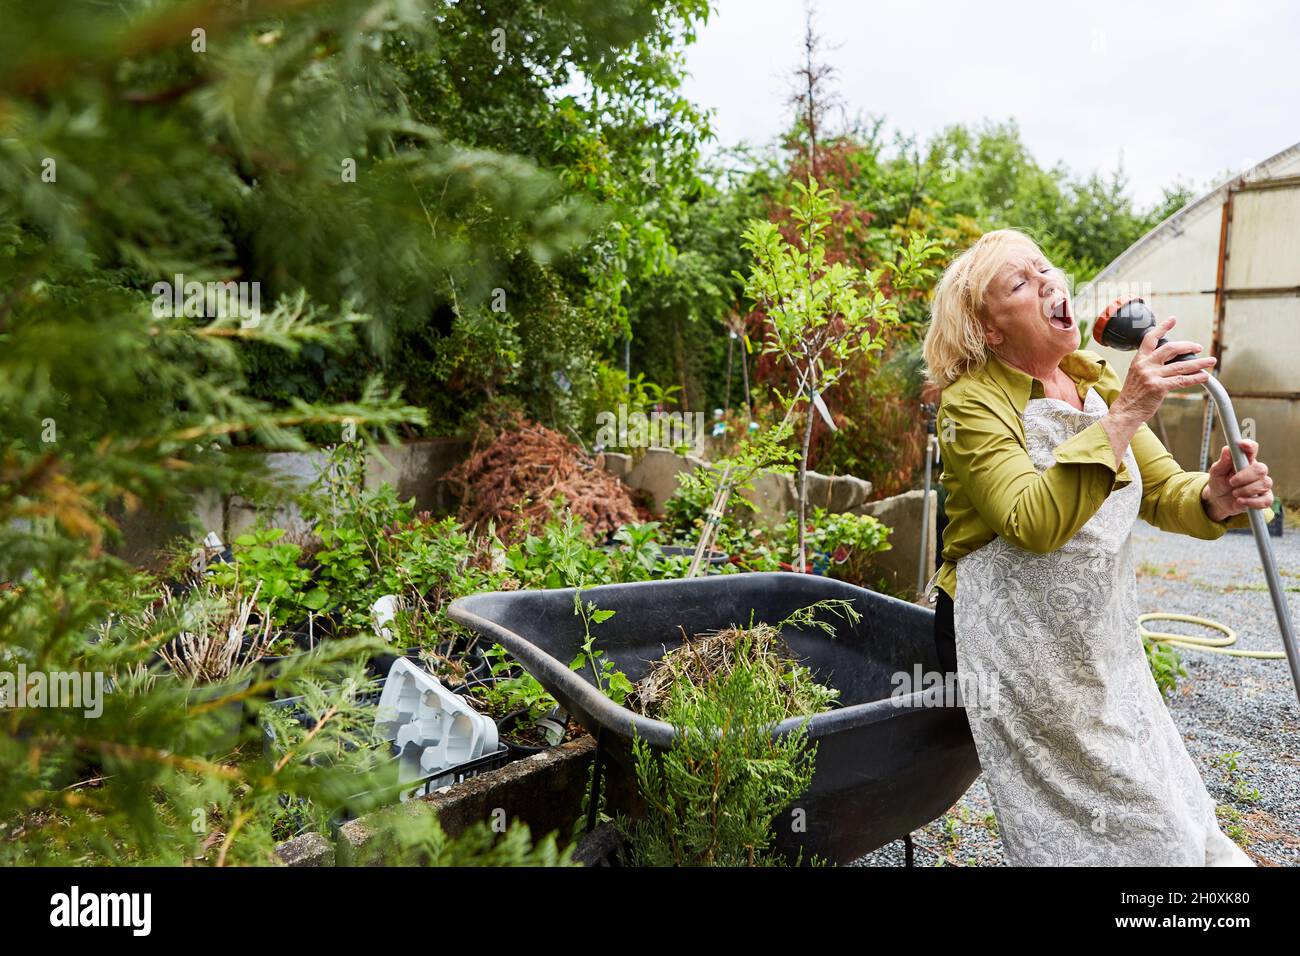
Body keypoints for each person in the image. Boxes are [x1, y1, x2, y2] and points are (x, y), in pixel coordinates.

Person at [920, 228, 1274, 866]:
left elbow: (1164, 489)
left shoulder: (1095, 381)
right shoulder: (969, 403)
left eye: (1045, 268)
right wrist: (1127, 412)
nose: (1048, 283)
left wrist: (1215, 496)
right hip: (1010, 636)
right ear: (989, 330)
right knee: (1103, 811)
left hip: (1094, 628)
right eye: (1019, 284)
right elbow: (1031, 521)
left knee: (1153, 779)